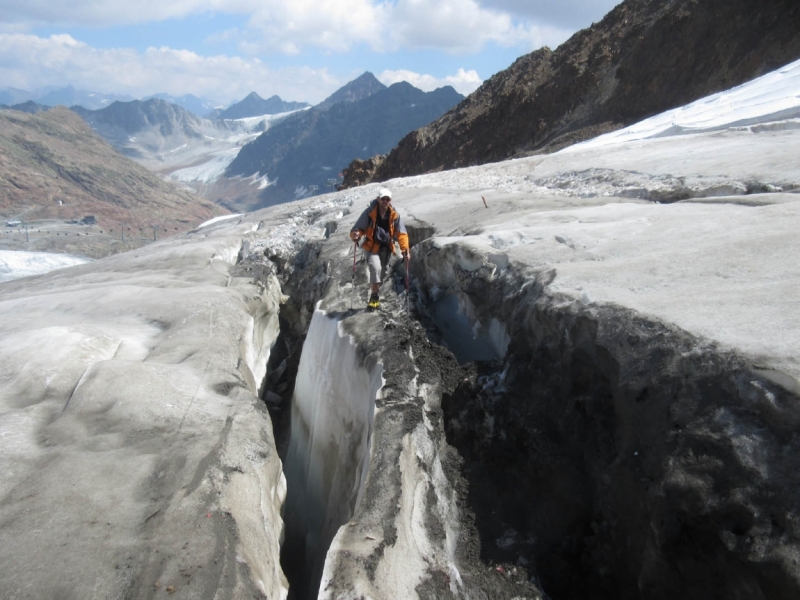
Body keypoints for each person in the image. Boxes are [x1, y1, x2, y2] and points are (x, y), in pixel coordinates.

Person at [350, 187, 410, 309]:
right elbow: (358, 228)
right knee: (375, 268)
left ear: (390, 200)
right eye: (383, 198)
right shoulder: (370, 212)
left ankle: (375, 292)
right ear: (378, 199)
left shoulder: (394, 215)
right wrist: (355, 235)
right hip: (372, 247)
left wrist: (405, 250)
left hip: (387, 248)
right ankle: (374, 297)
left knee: (383, 273)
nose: (385, 201)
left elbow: (401, 234)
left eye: (387, 199)